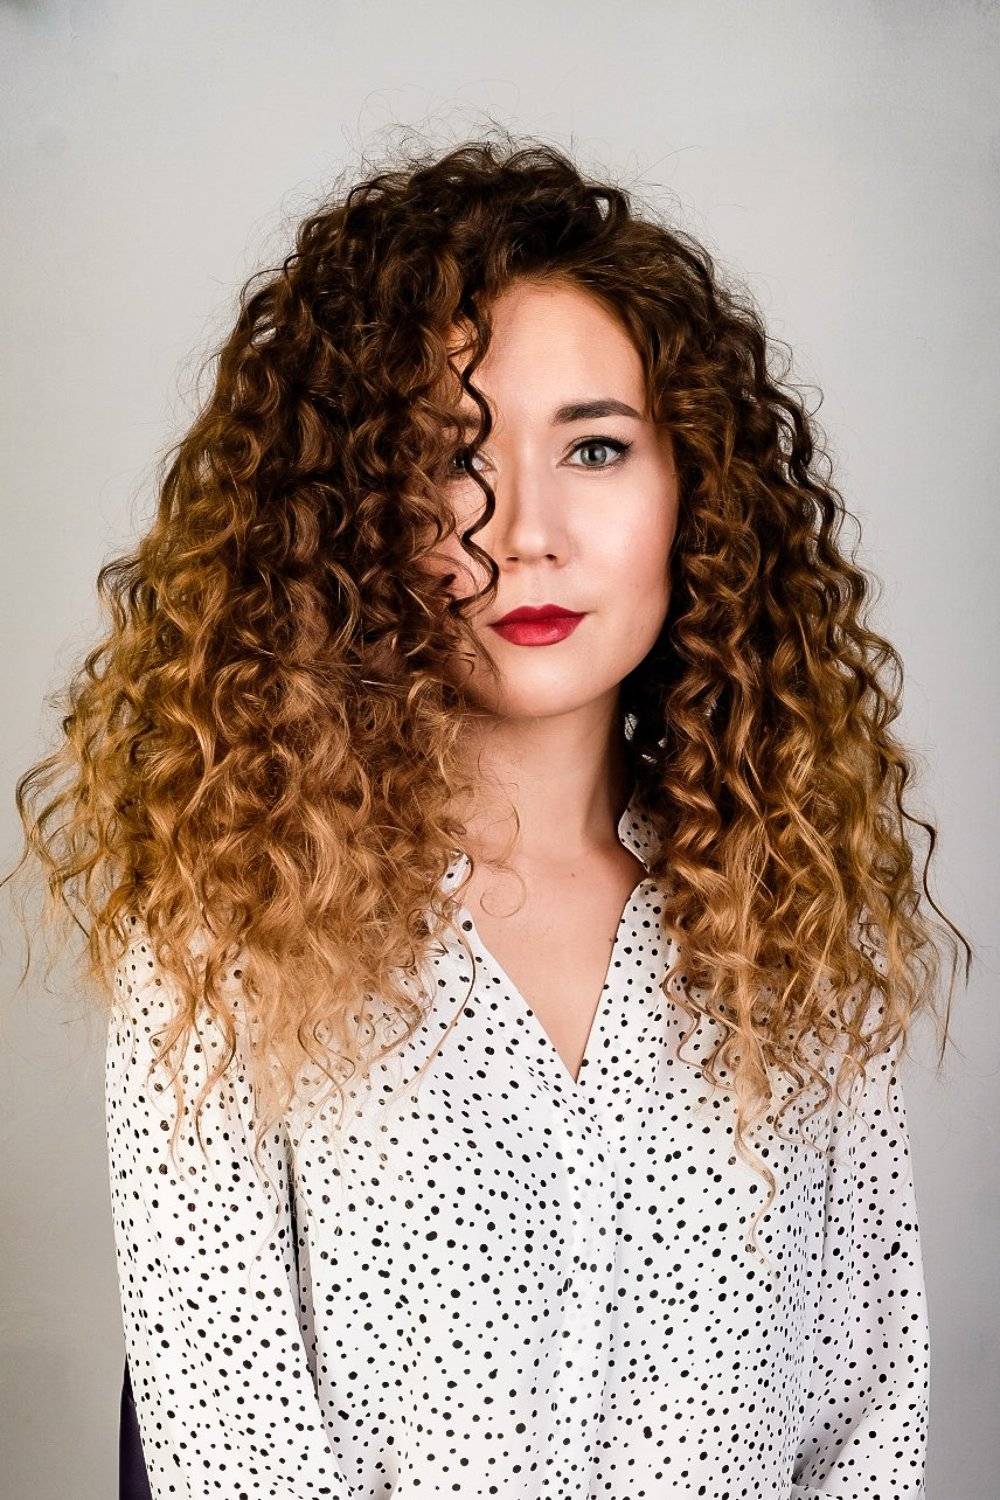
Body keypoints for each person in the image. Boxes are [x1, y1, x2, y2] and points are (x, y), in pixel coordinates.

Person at [9, 133, 969, 1499]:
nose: (524, 533)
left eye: (596, 448)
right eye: (452, 457)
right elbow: (231, 1450)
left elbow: (870, 1411)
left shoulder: (788, 924)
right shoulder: (231, 944)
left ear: (696, 493)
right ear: (350, 513)